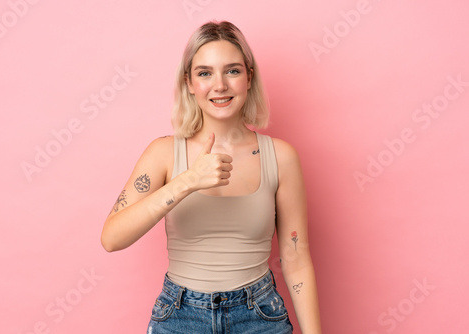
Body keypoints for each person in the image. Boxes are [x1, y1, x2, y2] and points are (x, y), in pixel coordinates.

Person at [100, 21, 322, 334]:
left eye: (232, 71)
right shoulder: (163, 152)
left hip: (258, 315)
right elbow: (112, 238)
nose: (219, 85)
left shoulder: (281, 157)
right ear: (189, 82)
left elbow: (296, 258)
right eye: (205, 73)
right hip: (180, 316)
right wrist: (187, 181)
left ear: (248, 77)